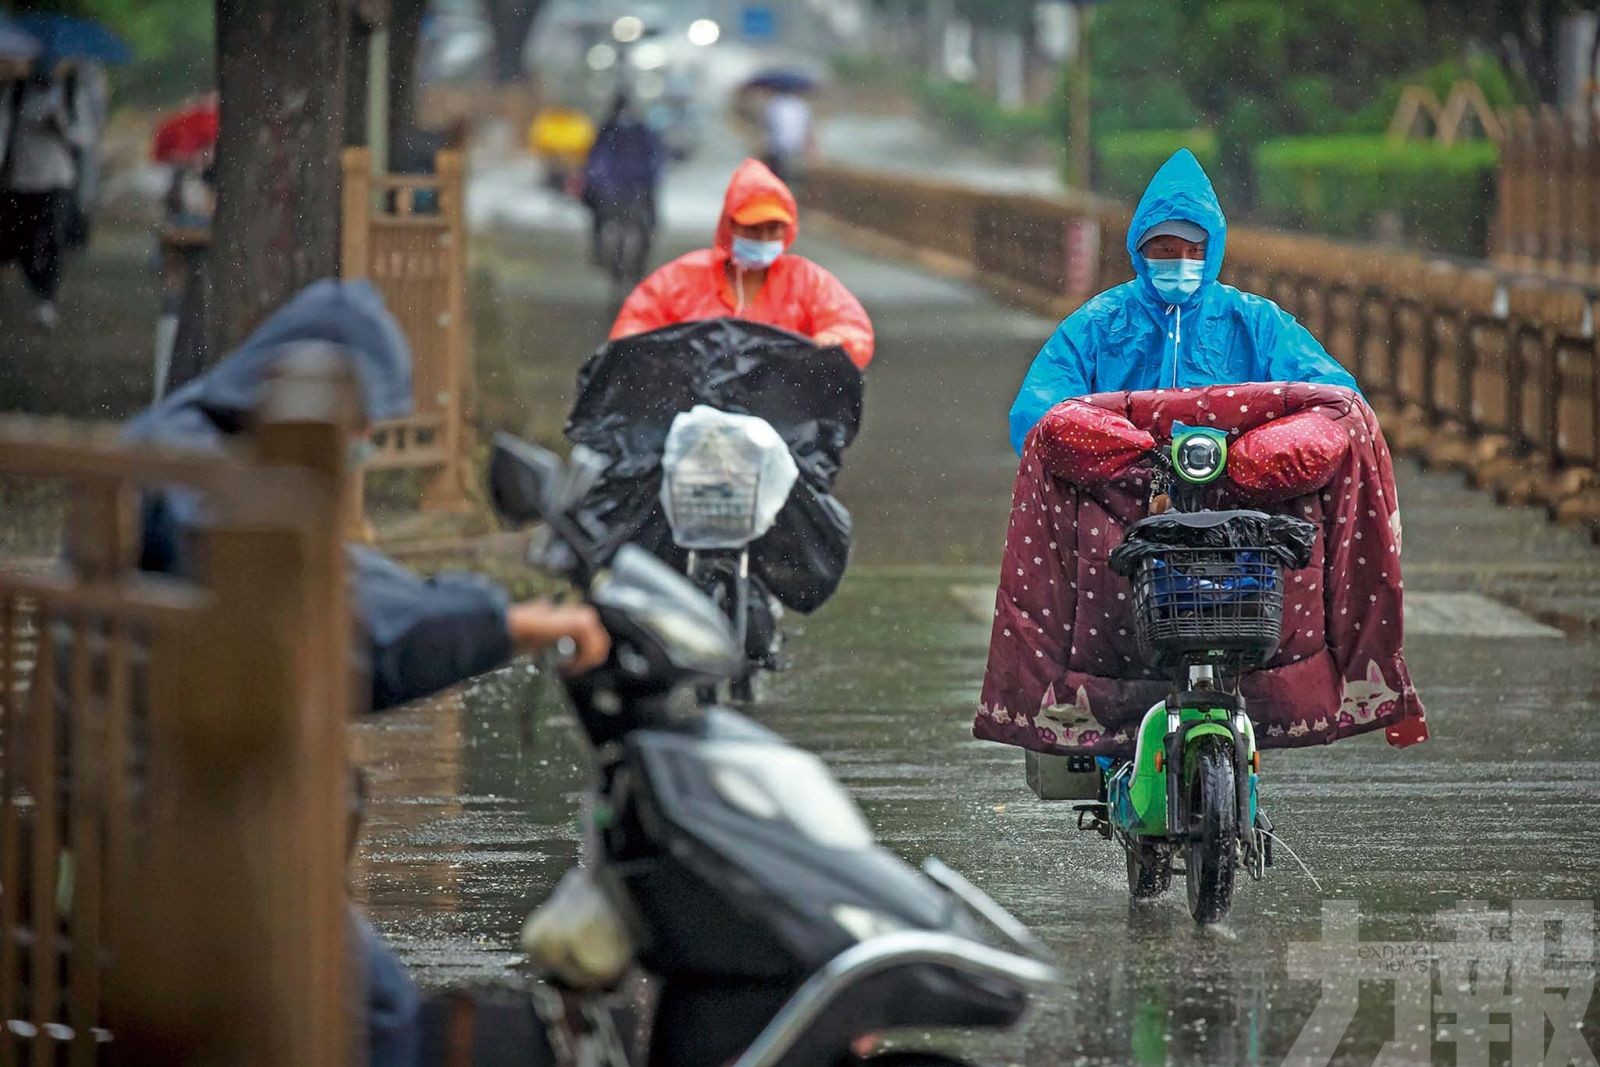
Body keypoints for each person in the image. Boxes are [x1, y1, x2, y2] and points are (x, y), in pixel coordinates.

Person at [124, 278, 610, 1066]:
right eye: (359, 419)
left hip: (174, 810)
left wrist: (478, 607)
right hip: (178, 833)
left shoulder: (193, 454)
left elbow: (343, 578)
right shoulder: (203, 484)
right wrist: (504, 621)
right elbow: (340, 616)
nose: (364, 439)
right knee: (373, 1010)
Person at [1007, 149, 1359, 454]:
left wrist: (1266, 446)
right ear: (1141, 251)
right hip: (1117, 495)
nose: (1180, 260)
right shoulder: (1098, 323)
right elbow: (1039, 409)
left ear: (1213, 251)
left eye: (1194, 250)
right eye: (1165, 249)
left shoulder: (1257, 322)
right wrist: (1112, 447)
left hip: (1244, 495)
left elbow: (1335, 397)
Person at [610, 157, 874, 369]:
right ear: (730, 226)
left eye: (774, 229)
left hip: (782, 416)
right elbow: (635, 324)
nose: (764, 238)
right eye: (753, 229)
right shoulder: (682, 277)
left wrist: (834, 341)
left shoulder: (806, 280)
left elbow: (849, 325)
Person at [2, 61, 93, 329]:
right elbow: (3, 131)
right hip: (23, 179)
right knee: (24, 241)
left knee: (52, 237)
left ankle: (47, 297)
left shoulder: (71, 93)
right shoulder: (17, 94)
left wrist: (61, 127)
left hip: (57, 179)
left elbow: (85, 136)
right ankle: (36, 285)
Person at [582, 93, 663, 268]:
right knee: (639, 224)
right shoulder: (619, 131)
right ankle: (612, 258)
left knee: (640, 224)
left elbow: (597, 161)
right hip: (623, 189)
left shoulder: (615, 131)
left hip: (627, 189)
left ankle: (615, 258)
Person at [761, 89, 812, 183]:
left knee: (778, 178)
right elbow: (806, 128)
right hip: (797, 147)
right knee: (797, 177)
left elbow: (769, 127)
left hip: (778, 148)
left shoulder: (774, 105)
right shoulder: (801, 106)